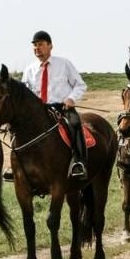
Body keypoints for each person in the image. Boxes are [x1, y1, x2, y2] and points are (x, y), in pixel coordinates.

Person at [24, 30, 89, 181]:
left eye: (40, 44)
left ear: (50, 46)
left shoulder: (64, 64)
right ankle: (18, 165)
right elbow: (25, 94)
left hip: (62, 108)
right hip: (37, 112)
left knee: (75, 123)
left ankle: (79, 162)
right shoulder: (29, 70)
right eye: (35, 45)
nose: (37, 48)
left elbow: (80, 85)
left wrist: (71, 99)